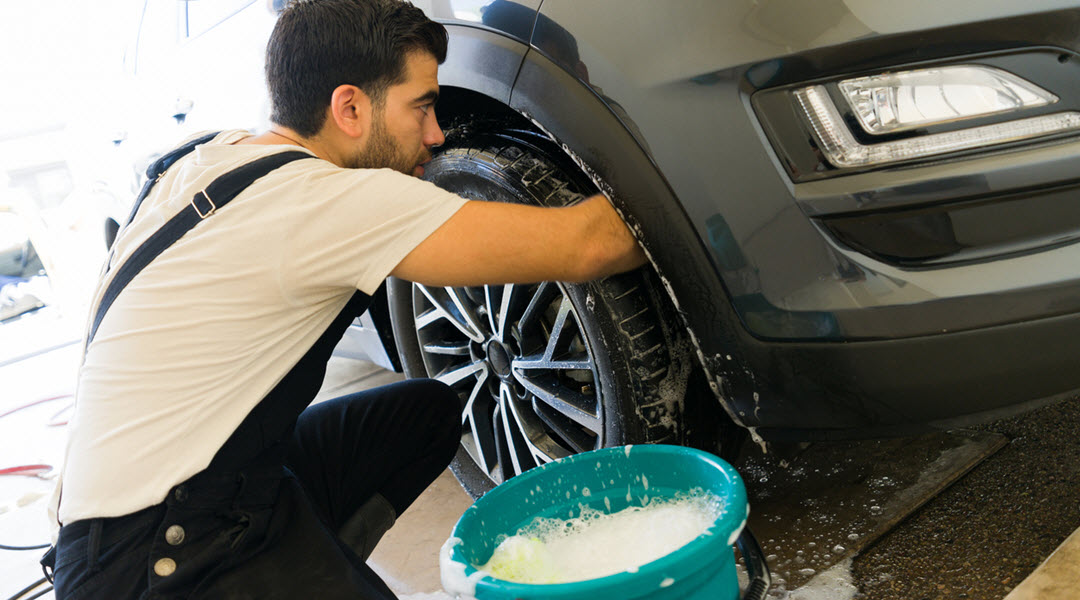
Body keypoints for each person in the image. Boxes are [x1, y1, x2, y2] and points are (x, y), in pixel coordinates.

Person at [41, 0, 645, 598]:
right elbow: (593, 244)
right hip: (151, 566)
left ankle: (302, 562)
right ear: (349, 107)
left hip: (151, 515)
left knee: (424, 414)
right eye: (423, 106)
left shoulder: (203, 158)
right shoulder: (321, 203)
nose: (435, 136)